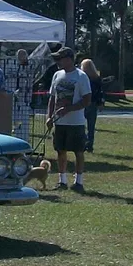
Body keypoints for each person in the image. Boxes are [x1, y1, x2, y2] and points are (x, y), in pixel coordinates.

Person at [48, 48, 92, 192]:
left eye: (59, 59)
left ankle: (78, 182)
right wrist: (49, 116)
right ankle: (62, 181)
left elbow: (86, 100)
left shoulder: (81, 76)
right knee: (60, 150)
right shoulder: (57, 75)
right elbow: (52, 98)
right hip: (59, 122)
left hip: (76, 122)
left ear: (68, 59)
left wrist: (68, 109)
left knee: (78, 151)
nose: (57, 62)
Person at [79, 57, 106, 154]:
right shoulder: (97, 78)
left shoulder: (83, 78)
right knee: (91, 126)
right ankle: (89, 145)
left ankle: (84, 143)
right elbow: (101, 93)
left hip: (84, 103)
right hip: (93, 103)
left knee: (81, 124)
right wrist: (101, 103)